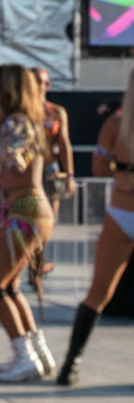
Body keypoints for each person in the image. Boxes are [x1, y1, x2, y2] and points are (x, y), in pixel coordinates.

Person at [0, 64, 58, 383]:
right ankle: (36, 353)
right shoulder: (30, 122)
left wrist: (8, 152)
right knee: (8, 286)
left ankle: (26, 356)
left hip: (25, 210)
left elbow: (14, 161)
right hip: (29, 209)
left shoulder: (15, 123)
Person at [58, 70, 134, 385]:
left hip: (121, 212)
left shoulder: (117, 124)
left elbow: (99, 166)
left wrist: (121, 170)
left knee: (98, 293)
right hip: (120, 212)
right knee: (98, 292)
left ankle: (70, 366)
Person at [34, 67, 74, 228]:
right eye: (35, 82)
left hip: (50, 168)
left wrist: (69, 175)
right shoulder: (21, 113)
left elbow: (64, 143)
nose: (39, 86)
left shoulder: (56, 112)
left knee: (49, 218)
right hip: (27, 169)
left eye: (43, 82)